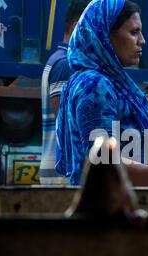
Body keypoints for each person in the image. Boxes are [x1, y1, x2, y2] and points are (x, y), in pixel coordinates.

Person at [56, 0, 148, 187]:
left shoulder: (105, 81)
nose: (142, 40)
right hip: (108, 204)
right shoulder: (94, 85)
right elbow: (104, 164)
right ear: (105, 36)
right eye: (133, 32)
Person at [40, 0, 91, 185]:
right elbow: (68, 129)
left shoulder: (60, 61)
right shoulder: (65, 64)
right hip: (63, 176)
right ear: (78, 27)